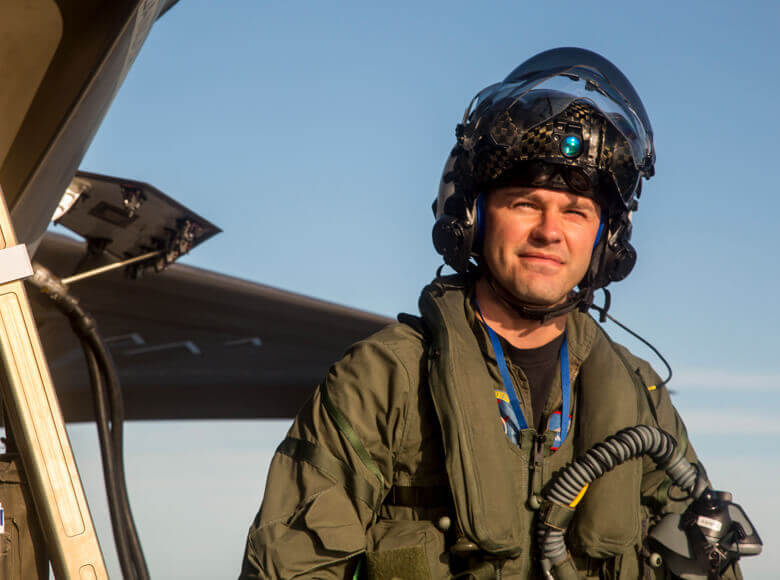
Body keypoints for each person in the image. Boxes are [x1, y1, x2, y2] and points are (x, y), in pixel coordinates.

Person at [239, 48, 742, 579]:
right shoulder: (385, 380)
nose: (550, 232)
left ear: (607, 242)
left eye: (576, 212)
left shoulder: (641, 400)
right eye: (525, 203)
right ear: (473, 218)